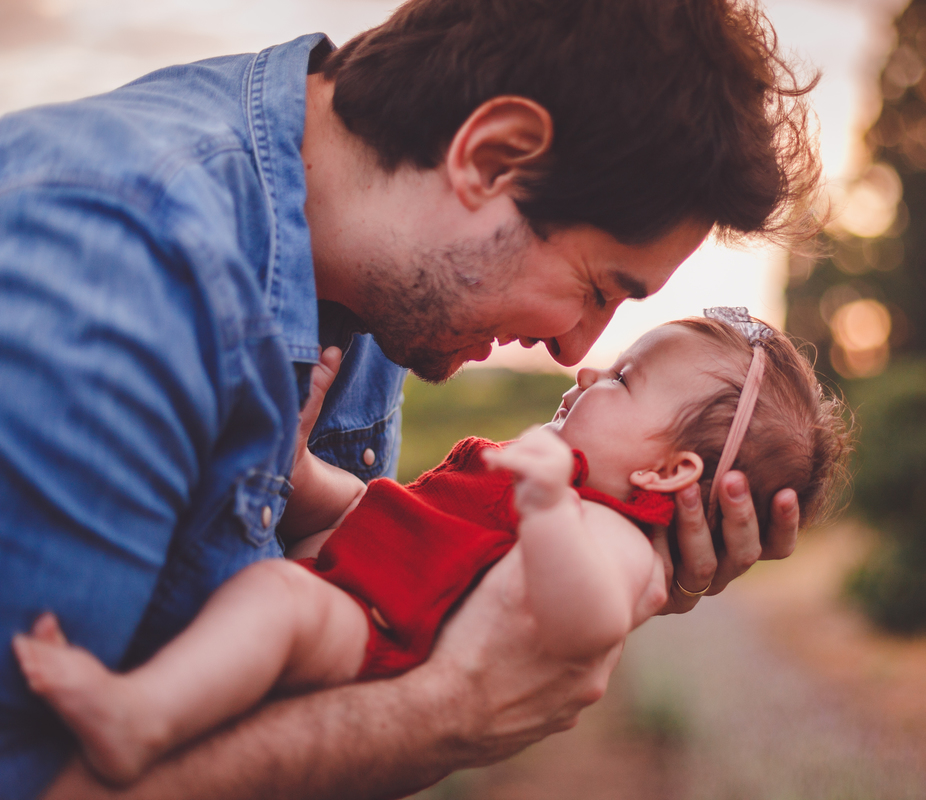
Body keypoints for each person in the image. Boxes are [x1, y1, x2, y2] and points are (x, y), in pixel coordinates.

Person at [0, 1, 822, 797]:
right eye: (595, 287)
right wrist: (446, 712)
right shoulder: (102, 277)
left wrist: (597, 579)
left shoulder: (384, 290)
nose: (576, 349)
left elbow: (382, 553)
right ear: (492, 157)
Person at [13, 310, 849, 787]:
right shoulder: (543, 475)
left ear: (670, 472)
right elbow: (386, 511)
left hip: (383, 636)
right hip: (363, 578)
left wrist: (551, 510)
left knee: (277, 604)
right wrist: (297, 467)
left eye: (624, 379)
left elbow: (589, 622)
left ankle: (142, 718)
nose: (588, 374)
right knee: (285, 586)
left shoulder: (608, 530)